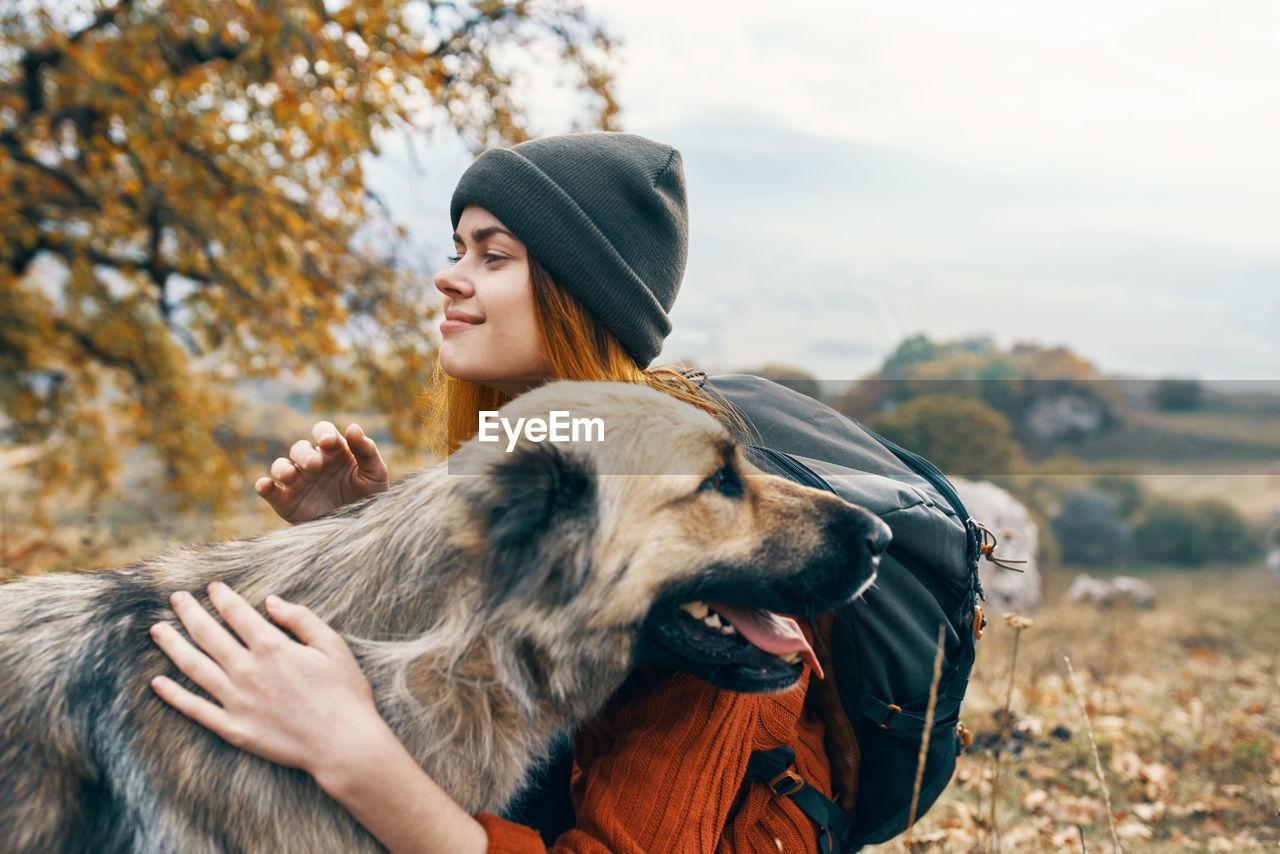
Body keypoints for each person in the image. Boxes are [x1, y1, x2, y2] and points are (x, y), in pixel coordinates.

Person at [148, 133, 834, 852]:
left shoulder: (682, 529)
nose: (448, 278)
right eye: (457, 251)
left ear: (578, 292)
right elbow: (455, 677)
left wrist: (353, 753)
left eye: (494, 255)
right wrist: (364, 536)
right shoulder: (530, 468)